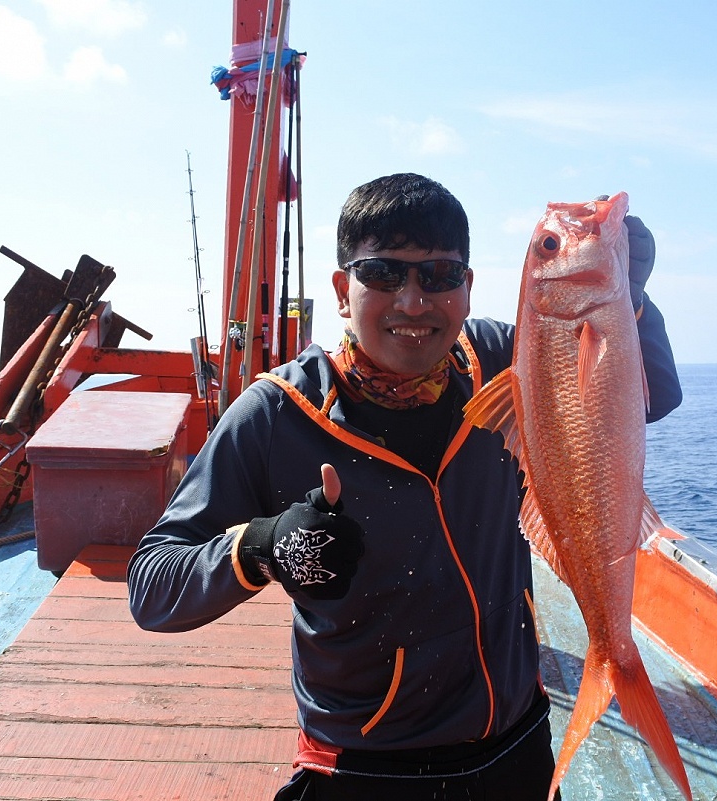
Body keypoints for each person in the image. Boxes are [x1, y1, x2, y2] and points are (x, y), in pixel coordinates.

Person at [127, 172, 682, 800]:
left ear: (468, 289)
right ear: (342, 290)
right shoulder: (276, 414)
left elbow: (650, 396)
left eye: (441, 276)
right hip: (363, 771)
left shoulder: (507, 357)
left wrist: (629, 297)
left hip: (518, 748)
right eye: (384, 274)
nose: (414, 302)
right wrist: (265, 547)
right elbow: (153, 584)